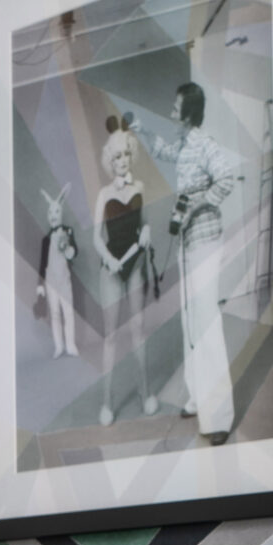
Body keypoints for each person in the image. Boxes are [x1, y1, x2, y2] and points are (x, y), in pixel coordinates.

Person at [161, 80, 237, 442]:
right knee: (191, 323)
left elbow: (226, 178)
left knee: (206, 324)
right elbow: (168, 153)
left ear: (189, 113)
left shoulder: (205, 144)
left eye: (176, 107)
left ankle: (219, 418)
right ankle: (197, 398)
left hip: (205, 241)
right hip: (187, 243)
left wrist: (199, 203)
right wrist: (141, 132)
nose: (171, 111)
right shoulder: (185, 144)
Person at [92, 116, 156, 425]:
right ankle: (107, 404)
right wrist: (109, 258)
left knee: (138, 329)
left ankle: (146, 394)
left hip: (136, 266)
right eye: (116, 156)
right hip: (111, 268)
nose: (121, 161)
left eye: (125, 154)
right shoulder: (103, 194)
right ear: (109, 160)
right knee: (111, 337)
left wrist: (147, 233)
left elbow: (143, 226)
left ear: (132, 154)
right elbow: (94, 238)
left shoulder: (141, 187)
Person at [32, 186, 78, 359]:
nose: (53, 215)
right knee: (55, 314)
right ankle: (59, 346)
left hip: (64, 280)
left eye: (56, 212)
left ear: (61, 213)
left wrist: (69, 250)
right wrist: (40, 285)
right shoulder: (46, 240)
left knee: (68, 312)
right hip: (50, 282)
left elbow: (74, 252)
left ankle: (70, 344)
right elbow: (42, 263)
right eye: (50, 212)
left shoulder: (68, 232)